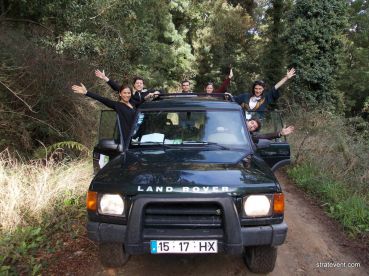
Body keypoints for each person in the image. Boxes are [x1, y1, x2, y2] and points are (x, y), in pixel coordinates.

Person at [71, 83, 136, 145]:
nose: (127, 95)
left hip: (135, 138)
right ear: (120, 94)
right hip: (125, 139)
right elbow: (103, 100)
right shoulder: (118, 105)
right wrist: (87, 92)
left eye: (128, 93)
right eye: (124, 93)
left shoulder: (133, 104)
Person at [95, 69, 159, 105]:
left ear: (143, 85)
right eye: (137, 83)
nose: (139, 85)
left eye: (141, 83)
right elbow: (117, 87)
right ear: (134, 85)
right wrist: (105, 78)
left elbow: (160, 92)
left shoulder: (147, 91)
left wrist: (155, 94)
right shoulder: (130, 93)